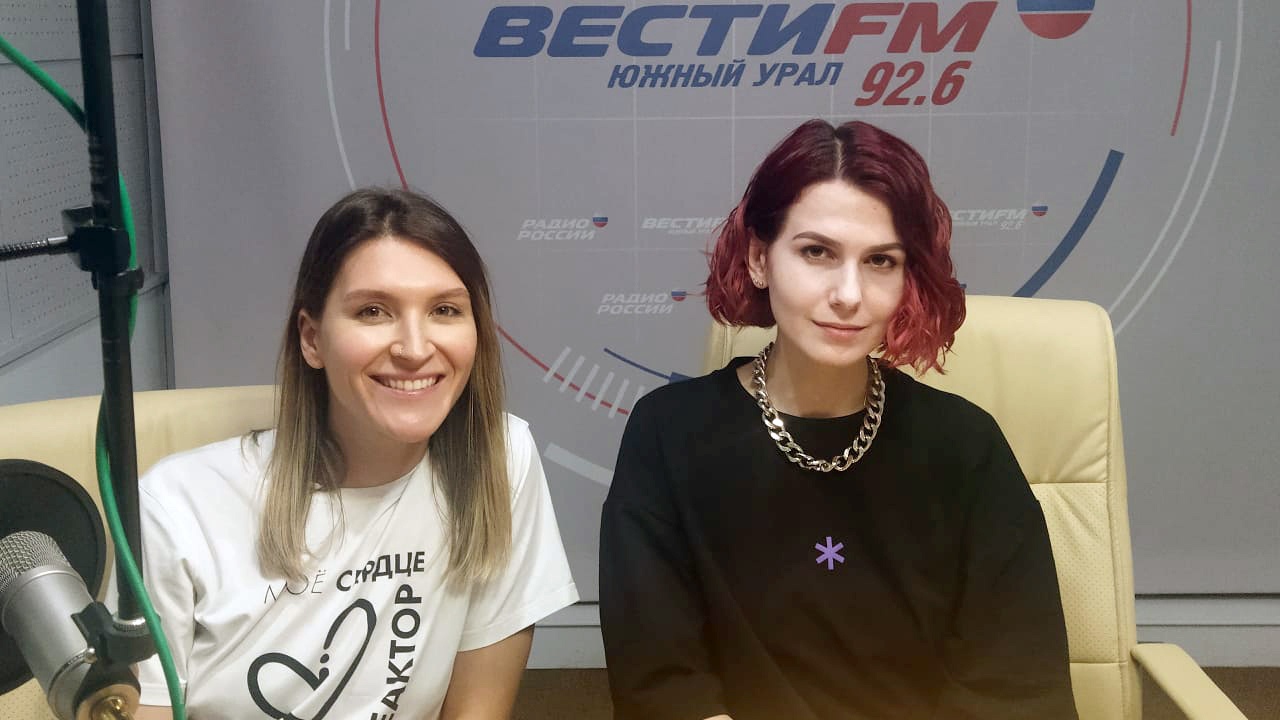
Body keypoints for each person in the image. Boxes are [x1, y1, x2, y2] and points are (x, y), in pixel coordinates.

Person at [599, 120, 1077, 720]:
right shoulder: (668, 434)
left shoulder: (965, 446)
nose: (849, 294)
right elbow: (661, 684)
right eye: (817, 252)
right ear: (759, 259)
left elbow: (1018, 686)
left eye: (880, 260)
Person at [131, 188, 579, 719]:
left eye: (444, 310)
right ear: (312, 339)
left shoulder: (500, 459)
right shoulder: (177, 505)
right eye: (373, 311)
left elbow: (477, 709)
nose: (415, 349)